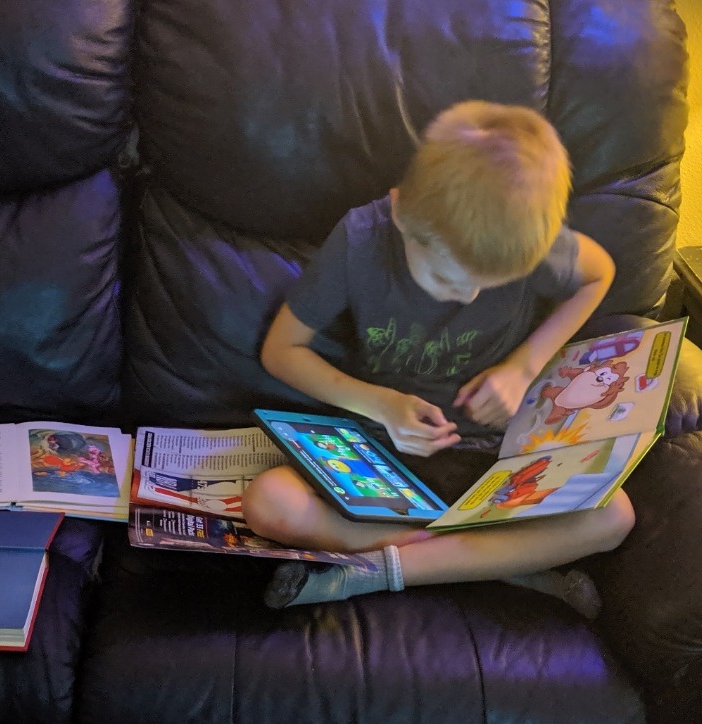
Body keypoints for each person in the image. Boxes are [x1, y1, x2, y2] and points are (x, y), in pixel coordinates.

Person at [242, 100, 633, 619]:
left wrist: (523, 365)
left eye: (489, 284)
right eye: (449, 279)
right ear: (403, 215)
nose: (467, 296)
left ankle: (377, 571)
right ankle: (498, 566)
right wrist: (381, 404)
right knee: (269, 502)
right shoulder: (360, 241)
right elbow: (281, 351)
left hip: (492, 460)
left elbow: (598, 273)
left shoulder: (522, 236)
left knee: (614, 515)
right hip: (381, 454)